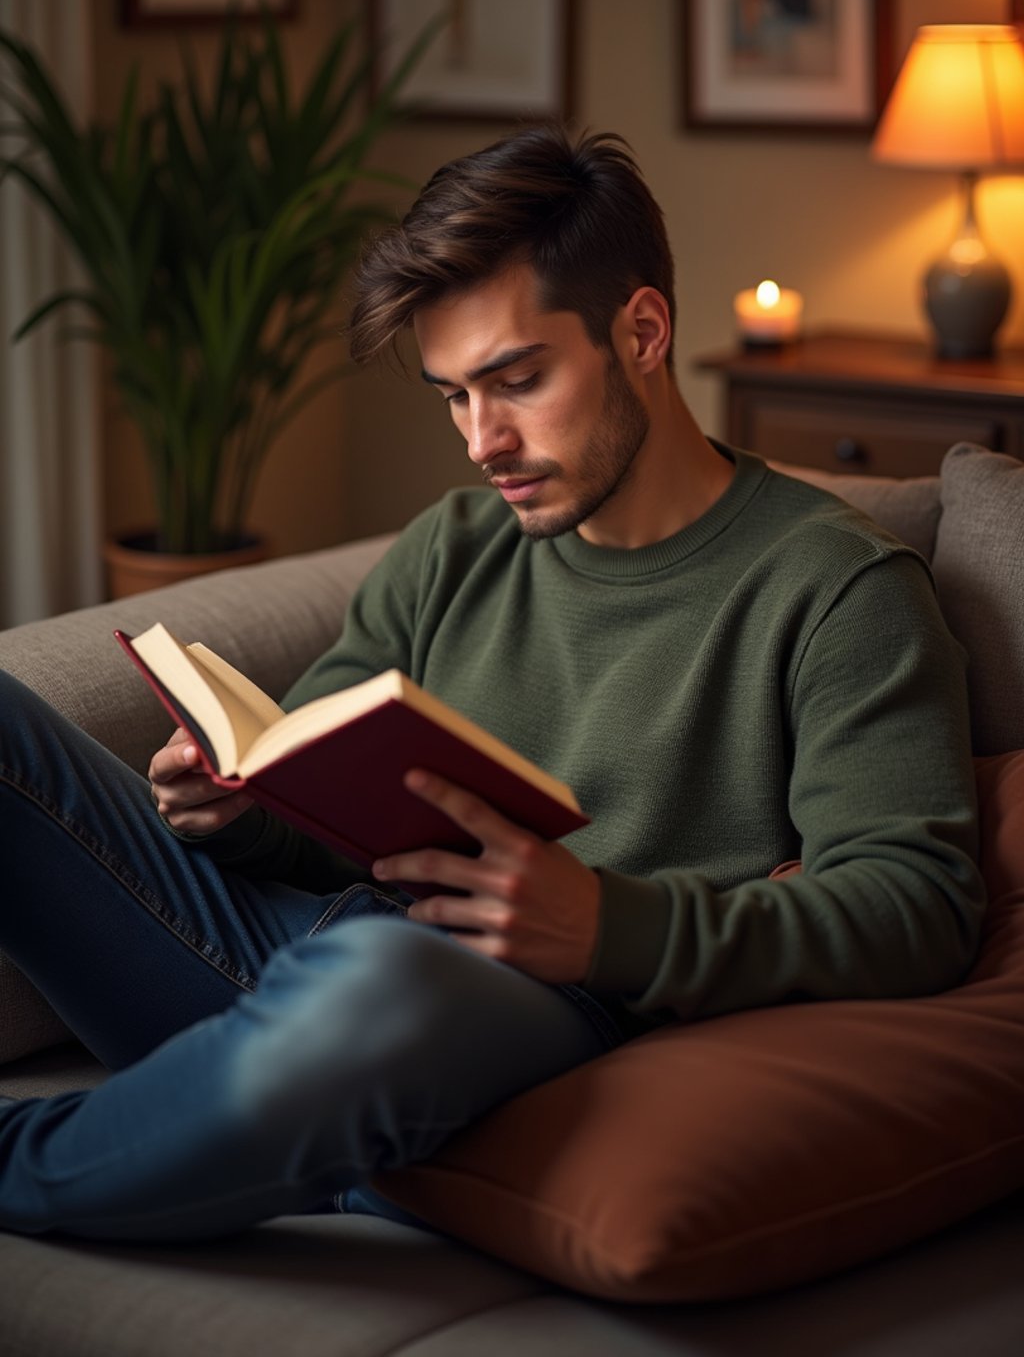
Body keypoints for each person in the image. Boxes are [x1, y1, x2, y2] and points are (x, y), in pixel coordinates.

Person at [0, 126, 984, 1243]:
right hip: (302, 950)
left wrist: (612, 925)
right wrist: (232, 808)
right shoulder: (455, 543)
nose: (481, 440)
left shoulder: (836, 586)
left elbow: (921, 907)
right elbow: (308, 800)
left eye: (517, 381)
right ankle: (289, 1135)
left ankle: (150, 1145)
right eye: (453, 396)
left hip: (510, 1001)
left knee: (385, 982)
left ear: (643, 331)